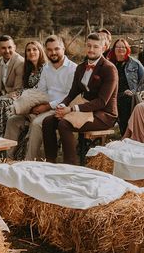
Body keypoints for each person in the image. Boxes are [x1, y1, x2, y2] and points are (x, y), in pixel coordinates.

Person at [42, 33, 118, 165]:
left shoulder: (109, 69)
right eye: (88, 46)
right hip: (85, 110)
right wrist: (62, 106)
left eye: (95, 47)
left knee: (64, 124)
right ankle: (50, 161)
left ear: (103, 48)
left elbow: (102, 102)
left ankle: (70, 164)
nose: (91, 50)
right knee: (48, 121)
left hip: (103, 114)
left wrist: (72, 109)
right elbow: (72, 93)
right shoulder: (81, 67)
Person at [5, 35, 76, 160]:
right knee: (13, 120)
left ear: (63, 49)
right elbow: (41, 91)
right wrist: (33, 106)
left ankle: (29, 161)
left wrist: (48, 106)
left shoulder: (73, 69)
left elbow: (69, 96)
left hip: (61, 108)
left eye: (56, 49)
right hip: (44, 104)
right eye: (49, 49)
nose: (53, 52)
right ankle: (7, 158)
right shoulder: (46, 68)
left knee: (37, 123)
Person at [0, 41, 46, 137]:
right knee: (3, 107)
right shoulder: (29, 69)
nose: (31, 52)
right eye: (28, 50)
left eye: (34, 49)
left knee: (3, 106)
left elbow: (39, 91)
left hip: (37, 102)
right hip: (26, 101)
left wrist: (18, 94)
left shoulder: (45, 68)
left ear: (40, 51)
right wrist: (18, 94)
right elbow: (25, 88)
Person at [107, 38, 144, 135]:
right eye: (118, 47)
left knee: (126, 100)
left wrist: (135, 92)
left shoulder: (135, 63)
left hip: (129, 96)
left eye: (123, 47)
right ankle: (126, 135)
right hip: (112, 95)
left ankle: (126, 134)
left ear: (127, 49)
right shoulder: (109, 64)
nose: (120, 49)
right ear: (114, 49)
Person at [0, 35, 24, 110]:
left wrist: (0, 99)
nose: (7, 51)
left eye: (9, 47)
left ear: (14, 47)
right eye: (3, 48)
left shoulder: (20, 63)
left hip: (15, 99)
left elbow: (17, 91)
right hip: (3, 97)